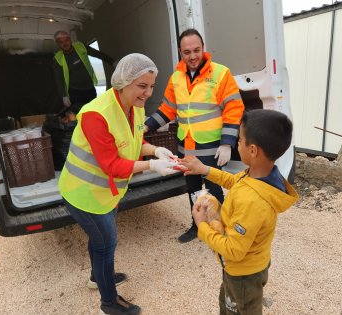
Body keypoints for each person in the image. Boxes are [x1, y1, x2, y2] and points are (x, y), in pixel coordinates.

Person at [58, 53, 178, 315]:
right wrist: (151, 166)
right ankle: (109, 303)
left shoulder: (134, 106)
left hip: (105, 192)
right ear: (123, 82)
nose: (147, 93)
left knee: (99, 241)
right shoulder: (95, 114)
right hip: (84, 194)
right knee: (105, 243)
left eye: (151, 86)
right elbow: (111, 165)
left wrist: (155, 151)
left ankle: (96, 278)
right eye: (142, 86)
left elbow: (133, 143)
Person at [178, 109, 299, 315]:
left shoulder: (252, 201)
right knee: (228, 304)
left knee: (240, 307)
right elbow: (234, 182)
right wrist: (204, 170)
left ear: (253, 150)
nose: (236, 144)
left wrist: (202, 225)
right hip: (244, 267)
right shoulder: (261, 175)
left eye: (240, 140)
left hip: (243, 274)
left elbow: (234, 250)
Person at [144, 28, 245, 243]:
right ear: (180, 52)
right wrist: (145, 127)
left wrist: (227, 143)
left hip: (211, 146)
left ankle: (222, 229)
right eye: (187, 52)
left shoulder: (220, 73)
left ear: (203, 49)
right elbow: (167, 110)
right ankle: (197, 226)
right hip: (186, 147)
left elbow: (234, 108)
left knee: (214, 188)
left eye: (196, 50)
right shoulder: (176, 78)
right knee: (191, 188)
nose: (192, 56)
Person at [53, 30, 115, 113]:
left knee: (94, 111)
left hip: (89, 88)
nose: (65, 43)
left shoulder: (80, 46)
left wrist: (112, 62)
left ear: (70, 40)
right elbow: (59, 79)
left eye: (66, 40)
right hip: (74, 92)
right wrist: (64, 96)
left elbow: (97, 54)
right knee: (80, 114)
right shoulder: (57, 58)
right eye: (61, 42)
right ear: (57, 44)